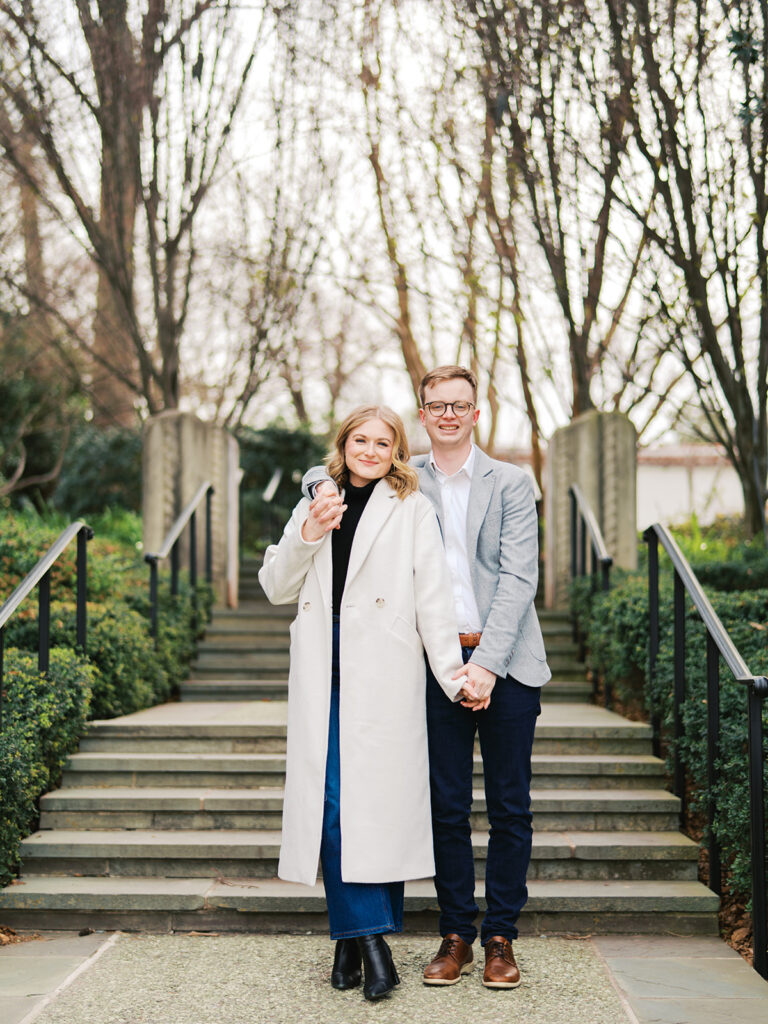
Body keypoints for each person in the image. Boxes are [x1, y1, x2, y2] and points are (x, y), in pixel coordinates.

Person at [304, 366, 550, 989]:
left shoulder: (513, 484)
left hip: (508, 663)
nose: (447, 414)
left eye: (459, 405)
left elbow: (520, 580)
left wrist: (487, 665)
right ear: (422, 413)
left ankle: (501, 937)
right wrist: (313, 488)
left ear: (475, 412)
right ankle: (455, 935)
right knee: (445, 806)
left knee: (510, 806)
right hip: (430, 666)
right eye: (435, 404)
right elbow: (332, 469)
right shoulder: (402, 481)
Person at [259, 404, 478, 1002]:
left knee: (374, 810)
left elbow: (433, 595)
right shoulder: (315, 502)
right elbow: (275, 585)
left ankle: (348, 942)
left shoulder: (413, 506)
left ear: (396, 451)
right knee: (333, 804)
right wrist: (309, 532)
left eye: (384, 442)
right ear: (345, 443)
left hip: (382, 670)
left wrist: (452, 673)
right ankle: (372, 943)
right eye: (361, 439)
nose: (371, 450)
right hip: (320, 667)